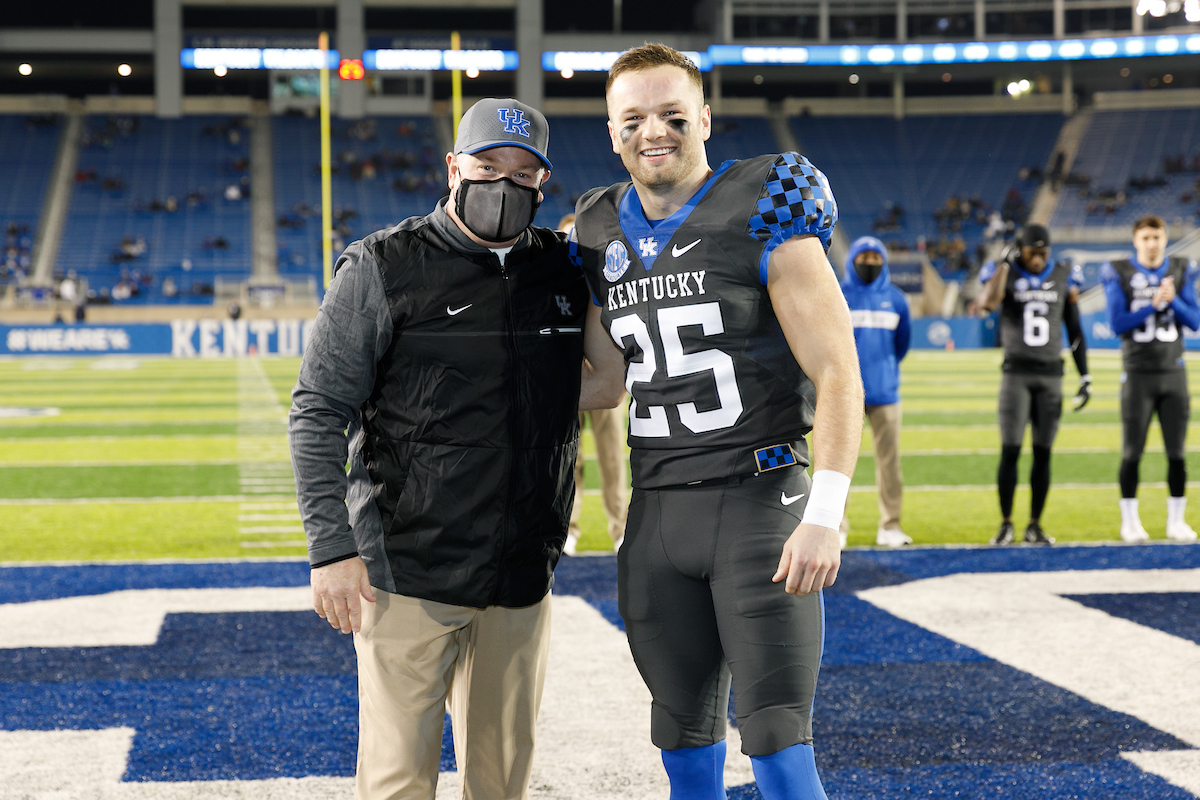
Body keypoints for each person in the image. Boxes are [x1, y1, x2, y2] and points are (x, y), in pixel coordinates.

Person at [571, 44, 862, 800]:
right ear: (612, 130)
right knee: (680, 739)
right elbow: (603, 383)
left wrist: (825, 513)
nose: (653, 132)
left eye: (672, 115)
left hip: (759, 505)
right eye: (634, 118)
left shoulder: (764, 201)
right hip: (656, 515)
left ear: (704, 119)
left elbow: (837, 370)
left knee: (777, 742)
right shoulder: (598, 228)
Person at [289, 98, 595, 800]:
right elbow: (318, 410)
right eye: (488, 167)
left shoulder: (562, 270)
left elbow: (601, 381)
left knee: (502, 782)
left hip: (520, 571)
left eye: (522, 174)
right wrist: (330, 549)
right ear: (454, 166)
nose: (503, 185)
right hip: (409, 571)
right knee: (397, 783)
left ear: (543, 183)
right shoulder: (383, 265)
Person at [976, 224, 1090, 545]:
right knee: (1010, 450)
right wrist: (1003, 267)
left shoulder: (1064, 273)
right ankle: (1006, 524)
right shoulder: (1006, 272)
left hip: (1051, 376)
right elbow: (987, 304)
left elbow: (1075, 328)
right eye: (1031, 253)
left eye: (1043, 253)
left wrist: (1085, 375)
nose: (1038, 259)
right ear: (1020, 251)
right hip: (1016, 375)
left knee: (1043, 453)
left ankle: (1035, 525)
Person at [1101, 215, 1200, 542]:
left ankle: (1176, 521)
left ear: (1165, 239)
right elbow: (1117, 324)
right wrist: (1153, 305)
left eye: (1156, 237)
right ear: (1135, 241)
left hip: (1173, 373)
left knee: (1177, 453)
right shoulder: (1119, 271)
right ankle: (1129, 521)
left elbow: (1195, 320)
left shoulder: (1181, 268)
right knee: (1132, 452)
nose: (1152, 244)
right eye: (1145, 238)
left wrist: (1173, 301)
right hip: (1138, 375)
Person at [558, 212, 629, 556]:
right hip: (569, 375)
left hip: (607, 374)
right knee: (568, 455)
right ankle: (568, 527)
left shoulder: (606, 278)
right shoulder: (554, 283)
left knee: (612, 454)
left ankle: (621, 529)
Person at [839, 236, 911, 548]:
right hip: (843, 395)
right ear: (852, 259)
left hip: (885, 394)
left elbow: (901, 345)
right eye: (864, 257)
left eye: (875, 257)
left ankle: (890, 526)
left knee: (890, 464)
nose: (869, 263)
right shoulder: (837, 293)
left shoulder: (896, 299)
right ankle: (836, 528)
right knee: (836, 464)